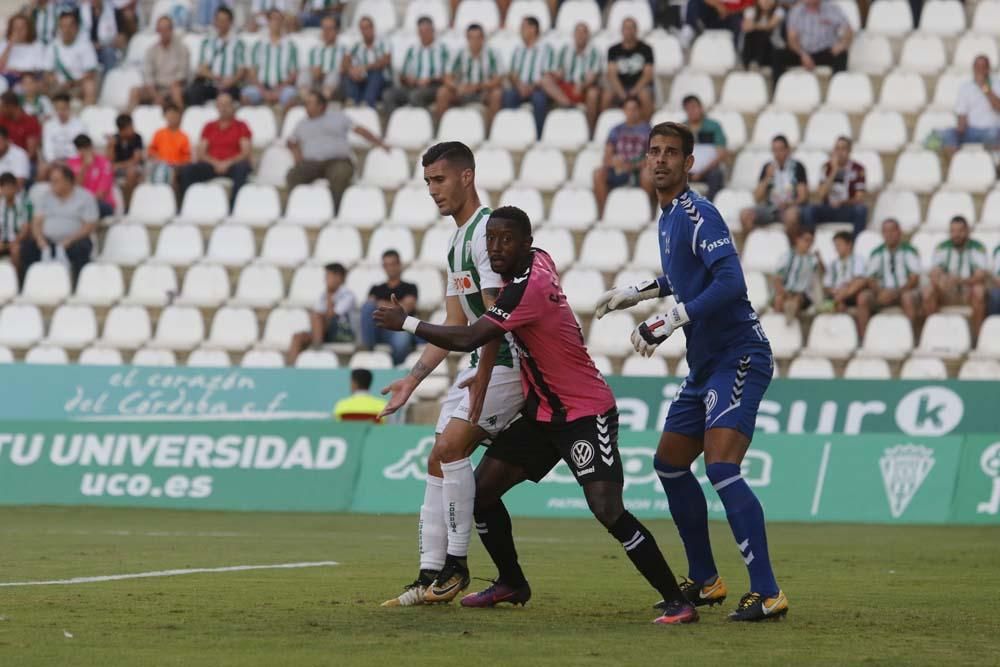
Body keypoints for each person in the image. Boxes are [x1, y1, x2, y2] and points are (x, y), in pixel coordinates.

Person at [373, 206, 696, 626]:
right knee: (480, 493)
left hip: (584, 411)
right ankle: (511, 582)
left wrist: (409, 323)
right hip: (542, 414)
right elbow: (484, 326)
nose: (496, 248)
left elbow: (472, 335)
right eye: (491, 240)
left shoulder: (527, 290)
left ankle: (677, 601)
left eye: (507, 240)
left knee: (608, 509)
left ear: (526, 242)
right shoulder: (537, 259)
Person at [594, 121, 787, 622]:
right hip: (704, 365)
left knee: (721, 468)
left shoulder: (698, 213)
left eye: (671, 153)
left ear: (688, 164)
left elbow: (729, 281)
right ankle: (706, 580)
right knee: (670, 464)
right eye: (654, 151)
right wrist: (638, 292)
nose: (660, 159)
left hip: (740, 355)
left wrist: (671, 317)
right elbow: (682, 275)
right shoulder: (666, 218)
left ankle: (767, 592)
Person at [378, 142, 524, 607]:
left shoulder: (487, 235)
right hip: (483, 364)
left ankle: (457, 567)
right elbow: (456, 325)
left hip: (512, 365)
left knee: (449, 446)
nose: (433, 190)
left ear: (466, 177)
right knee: (436, 460)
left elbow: (499, 322)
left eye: (439, 180)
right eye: (427, 182)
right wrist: (412, 380)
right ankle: (429, 573)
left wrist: (481, 381)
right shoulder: (456, 241)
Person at [286, 89, 387, 208]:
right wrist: (297, 155)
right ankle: (296, 208)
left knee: (339, 175)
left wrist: (379, 142)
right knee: (293, 175)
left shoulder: (338, 117)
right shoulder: (301, 123)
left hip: (337, 161)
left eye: (310, 103)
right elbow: (291, 141)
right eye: (306, 103)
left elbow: (359, 130)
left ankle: (335, 210)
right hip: (311, 163)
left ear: (321, 106)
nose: (306, 106)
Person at [19, 163, 97, 284]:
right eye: (51, 181)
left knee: (81, 248)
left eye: (56, 181)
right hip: (47, 241)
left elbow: (89, 225)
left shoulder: (85, 197)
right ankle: (27, 285)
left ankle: (79, 286)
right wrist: (40, 240)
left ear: (68, 181)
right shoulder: (45, 196)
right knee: (27, 248)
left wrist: (70, 239)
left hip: (74, 240)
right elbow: (36, 222)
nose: (52, 184)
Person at [177, 92, 252, 207]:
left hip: (232, 165)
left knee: (242, 168)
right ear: (217, 107)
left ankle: (235, 206)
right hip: (212, 164)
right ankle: (187, 204)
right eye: (221, 105)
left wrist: (227, 163)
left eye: (227, 105)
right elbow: (201, 152)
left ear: (233, 106)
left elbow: (245, 152)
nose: (224, 108)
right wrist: (216, 163)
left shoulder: (241, 126)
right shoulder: (209, 126)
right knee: (187, 170)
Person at [923, 215, 989, 335]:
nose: (956, 234)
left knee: (979, 290)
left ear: (967, 231)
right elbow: (934, 272)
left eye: (960, 231)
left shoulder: (977, 248)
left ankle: (977, 337)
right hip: (947, 291)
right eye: (953, 231)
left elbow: (980, 276)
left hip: (968, 292)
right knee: (928, 291)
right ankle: (934, 333)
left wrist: (959, 281)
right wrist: (941, 280)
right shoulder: (942, 247)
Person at [856, 218, 921, 337]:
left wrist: (896, 293)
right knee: (863, 298)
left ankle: (909, 337)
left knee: (908, 298)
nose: (889, 234)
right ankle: (864, 339)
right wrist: (880, 292)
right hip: (881, 292)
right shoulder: (876, 252)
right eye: (885, 231)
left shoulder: (909, 250)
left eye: (892, 231)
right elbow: (870, 278)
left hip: (903, 291)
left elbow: (914, 278)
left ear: (899, 232)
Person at [593, 95, 652, 215]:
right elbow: (607, 156)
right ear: (624, 111)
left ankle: (648, 211)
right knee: (598, 174)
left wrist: (634, 165)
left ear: (639, 110)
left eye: (634, 109)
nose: (631, 112)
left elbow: (652, 156)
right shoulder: (616, 130)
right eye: (628, 109)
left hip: (638, 169)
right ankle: (604, 213)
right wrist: (613, 162)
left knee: (647, 174)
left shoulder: (648, 130)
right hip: (619, 168)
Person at [436, 23, 503, 129]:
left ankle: (491, 131)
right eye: (471, 38)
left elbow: (498, 79)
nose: (475, 41)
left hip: (484, 91)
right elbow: (447, 77)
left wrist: (480, 86)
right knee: (443, 92)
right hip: (462, 91)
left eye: (478, 38)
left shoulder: (492, 53)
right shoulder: (459, 53)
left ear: (483, 38)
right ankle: (440, 129)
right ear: (467, 39)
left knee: (496, 94)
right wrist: (457, 87)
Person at [739, 134, 807, 238]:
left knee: (792, 217)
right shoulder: (768, 167)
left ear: (788, 150)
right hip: (770, 207)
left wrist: (790, 203)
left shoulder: (798, 167)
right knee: (745, 215)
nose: (778, 153)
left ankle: (791, 248)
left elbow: (802, 197)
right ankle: (754, 245)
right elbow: (757, 197)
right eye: (775, 150)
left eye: (781, 149)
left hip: (789, 207)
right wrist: (767, 178)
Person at [288, 262, 356, 365]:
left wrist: (329, 298)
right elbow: (318, 313)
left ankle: (317, 351)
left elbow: (332, 315)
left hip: (342, 333)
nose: (325, 280)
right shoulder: (323, 295)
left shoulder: (348, 296)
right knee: (297, 337)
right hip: (323, 331)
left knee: (317, 316)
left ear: (339, 277)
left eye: (328, 276)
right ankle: (291, 370)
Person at [359, 249, 418, 365]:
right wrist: (394, 305)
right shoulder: (376, 288)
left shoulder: (410, 287)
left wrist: (379, 303)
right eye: (386, 265)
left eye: (393, 264)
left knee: (403, 339)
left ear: (399, 265)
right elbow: (369, 308)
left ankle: (395, 368)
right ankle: (368, 351)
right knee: (367, 307)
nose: (390, 268)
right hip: (379, 329)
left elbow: (405, 309)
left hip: (400, 328)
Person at [543, 22, 602, 134]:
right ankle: (568, 105)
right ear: (574, 35)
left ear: (588, 35)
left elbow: (593, 76)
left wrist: (582, 85)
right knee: (545, 80)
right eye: (578, 32)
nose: (580, 35)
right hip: (566, 86)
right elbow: (558, 71)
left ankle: (590, 131)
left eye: (583, 32)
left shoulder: (595, 52)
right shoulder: (565, 50)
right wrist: (556, 75)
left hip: (584, 88)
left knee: (593, 93)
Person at [773, 0, 851, 85]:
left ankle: (837, 88)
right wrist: (802, 54)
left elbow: (848, 31)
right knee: (778, 54)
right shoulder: (796, 11)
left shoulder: (832, 8)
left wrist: (842, 44)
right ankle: (778, 88)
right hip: (801, 52)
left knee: (842, 54)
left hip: (825, 52)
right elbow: (791, 39)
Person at [382, 16, 449, 116]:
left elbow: (448, 75)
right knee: (388, 95)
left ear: (433, 31)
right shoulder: (412, 50)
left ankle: (426, 123)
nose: (424, 34)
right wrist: (409, 79)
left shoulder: (442, 50)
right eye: (421, 31)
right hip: (413, 86)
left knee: (415, 96)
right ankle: (397, 123)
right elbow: (402, 76)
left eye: (427, 31)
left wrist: (430, 80)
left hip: (433, 86)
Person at [501, 16, 555, 139]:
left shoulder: (546, 49)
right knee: (508, 96)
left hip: (538, 88)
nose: (521, 30)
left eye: (523, 27)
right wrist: (519, 85)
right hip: (520, 88)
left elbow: (548, 75)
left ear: (533, 29)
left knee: (539, 99)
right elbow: (512, 73)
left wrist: (531, 87)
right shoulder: (518, 50)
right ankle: (512, 133)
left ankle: (539, 135)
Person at [803, 136, 867, 237]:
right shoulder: (826, 167)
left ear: (849, 151)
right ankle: (810, 242)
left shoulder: (858, 169)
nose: (840, 152)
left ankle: (855, 245)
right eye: (837, 148)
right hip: (828, 208)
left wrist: (842, 202)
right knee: (808, 210)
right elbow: (821, 194)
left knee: (861, 210)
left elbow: (859, 198)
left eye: (843, 149)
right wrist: (834, 171)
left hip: (846, 209)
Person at [936, 55, 1000, 154]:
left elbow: (998, 107)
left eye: (983, 67)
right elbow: (962, 116)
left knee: (993, 135)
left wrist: (984, 87)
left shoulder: (997, 84)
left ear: (988, 69)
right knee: (948, 134)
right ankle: (956, 163)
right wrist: (959, 133)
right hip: (971, 131)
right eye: (977, 67)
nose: (980, 70)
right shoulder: (965, 88)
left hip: (993, 130)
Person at [185, 6, 245, 106]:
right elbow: (201, 68)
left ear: (230, 22)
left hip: (231, 85)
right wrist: (216, 78)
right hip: (210, 84)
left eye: (224, 20)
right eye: (218, 20)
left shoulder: (238, 44)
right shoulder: (207, 42)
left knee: (233, 94)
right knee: (193, 92)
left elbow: (241, 70)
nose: (221, 24)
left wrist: (230, 81)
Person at [128, 15, 188, 111]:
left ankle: (178, 120)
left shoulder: (182, 49)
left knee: (176, 91)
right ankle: (128, 122)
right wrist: (156, 96)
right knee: (134, 91)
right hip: (155, 89)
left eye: (166, 29)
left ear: (171, 30)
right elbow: (148, 77)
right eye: (161, 29)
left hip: (173, 88)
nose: (164, 32)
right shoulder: (151, 50)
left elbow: (182, 75)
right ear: (158, 31)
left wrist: (171, 89)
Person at [242, 9, 299, 108]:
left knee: (292, 97)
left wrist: (279, 89)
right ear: (268, 22)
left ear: (282, 22)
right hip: (262, 87)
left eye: (278, 19)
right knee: (245, 96)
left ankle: (283, 123)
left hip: (283, 87)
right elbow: (252, 73)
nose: (276, 22)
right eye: (273, 19)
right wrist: (263, 91)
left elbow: (293, 74)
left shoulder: (290, 46)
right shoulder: (259, 45)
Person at [44, 9, 99, 106]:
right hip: (58, 86)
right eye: (63, 26)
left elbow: (90, 74)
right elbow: (47, 73)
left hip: (78, 86)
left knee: (90, 85)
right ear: (59, 28)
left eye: (70, 26)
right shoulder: (52, 46)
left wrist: (72, 83)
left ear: (77, 28)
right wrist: (55, 81)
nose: (67, 30)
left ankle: (88, 115)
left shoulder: (86, 45)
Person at [603, 18, 654, 120]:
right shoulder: (613, 50)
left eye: (631, 28)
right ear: (621, 31)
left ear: (636, 30)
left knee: (645, 96)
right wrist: (622, 93)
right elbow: (611, 74)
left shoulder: (646, 49)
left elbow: (648, 75)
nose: (628, 31)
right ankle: (602, 125)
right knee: (606, 96)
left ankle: (645, 128)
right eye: (626, 28)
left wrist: (633, 92)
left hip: (639, 87)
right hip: (619, 87)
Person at [682, 95, 727, 201]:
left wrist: (702, 172)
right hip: (687, 170)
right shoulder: (682, 128)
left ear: (701, 108)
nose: (692, 111)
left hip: (708, 170)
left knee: (716, 175)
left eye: (694, 107)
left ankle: (710, 207)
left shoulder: (714, 126)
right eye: (688, 109)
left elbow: (721, 154)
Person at [343, 16, 390, 108]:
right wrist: (351, 70)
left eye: (367, 27)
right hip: (361, 78)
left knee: (375, 73)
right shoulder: (356, 45)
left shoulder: (383, 43)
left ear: (373, 28)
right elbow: (345, 60)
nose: (365, 31)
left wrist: (364, 68)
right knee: (349, 75)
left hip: (382, 80)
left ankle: (367, 104)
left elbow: (385, 60)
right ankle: (352, 102)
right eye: (363, 28)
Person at [772, 228, 818, 320]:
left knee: (796, 300)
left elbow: (818, 279)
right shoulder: (787, 256)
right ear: (798, 239)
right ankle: (778, 327)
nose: (809, 244)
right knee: (779, 300)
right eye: (806, 240)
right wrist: (785, 293)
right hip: (785, 292)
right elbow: (777, 279)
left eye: (811, 241)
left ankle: (790, 324)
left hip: (802, 295)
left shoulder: (813, 260)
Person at [66, 134, 114, 218]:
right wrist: (84, 167)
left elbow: (101, 193)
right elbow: (74, 188)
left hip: (102, 203)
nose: (84, 152)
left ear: (91, 147)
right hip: (79, 204)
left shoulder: (104, 162)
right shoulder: (71, 163)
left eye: (87, 148)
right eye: (80, 149)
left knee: (87, 209)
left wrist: (84, 203)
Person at [822, 230, 866, 314]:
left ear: (849, 245)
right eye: (835, 246)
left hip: (852, 293)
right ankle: (838, 301)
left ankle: (838, 299)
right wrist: (835, 291)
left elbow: (859, 279)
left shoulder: (858, 259)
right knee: (839, 305)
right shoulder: (832, 264)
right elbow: (827, 285)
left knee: (860, 282)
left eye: (839, 245)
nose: (836, 248)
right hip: (836, 292)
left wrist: (846, 288)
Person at [41, 92, 85, 175]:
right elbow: (47, 147)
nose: (60, 112)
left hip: (74, 161)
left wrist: (69, 162)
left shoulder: (80, 125)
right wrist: (54, 161)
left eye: (63, 109)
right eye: (57, 109)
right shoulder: (48, 125)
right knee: (42, 170)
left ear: (69, 107)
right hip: (54, 162)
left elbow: (81, 147)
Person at [303, 15, 346, 101]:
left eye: (330, 29)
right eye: (324, 28)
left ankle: (321, 103)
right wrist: (316, 72)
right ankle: (307, 101)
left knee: (333, 75)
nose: (326, 32)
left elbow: (343, 70)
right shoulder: (314, 51)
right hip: (316, 82)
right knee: (304, 72)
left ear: (337, 31)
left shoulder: (344, 51)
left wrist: (324, 73)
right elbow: (311, 68)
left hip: (335, 87)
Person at [147, 103, 189, 185]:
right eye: (169, 115)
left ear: (179, 117)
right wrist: (157, 159)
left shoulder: (184, 137)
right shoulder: (159, 133)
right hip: (159, 164)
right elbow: (151, 151)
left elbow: (186, 158)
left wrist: (177, 164)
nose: (171, 117)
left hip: (175, 167)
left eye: (174, 115)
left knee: (171, 173)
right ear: (165, 116)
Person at [0, 171, 32, 274]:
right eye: (3, 187)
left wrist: (14, 242)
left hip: (19, 242)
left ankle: (17, 280)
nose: (7, 191)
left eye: (9, 187)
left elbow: (25, 228)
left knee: (15, 250)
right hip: (3, 241)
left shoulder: (24, 203)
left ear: (15, 188)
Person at [108, 112, 144, 204]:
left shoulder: (137, 138)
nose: (132, 129)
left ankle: (129, 202)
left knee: (131, 171)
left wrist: (119, 165)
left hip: (134, 167)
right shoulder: (115, 139)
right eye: (130, 127)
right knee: (106, 171)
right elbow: (109, 161)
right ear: (122, 130)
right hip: (119, 168)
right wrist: (111, 146)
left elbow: (136, 160)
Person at [0, 91, 41, 167]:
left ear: (11, 106)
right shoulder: (2, 119)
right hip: (3, 160)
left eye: (2, 107)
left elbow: (30, 153)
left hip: (24, 162)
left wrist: (16, 164)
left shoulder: (31, 122)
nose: (0, 109)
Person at [0, 15, 45, 83]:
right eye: (15, 28)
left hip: (29, 80)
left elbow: (38, 69)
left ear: (28, 29)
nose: (18, 31)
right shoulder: (4, 44)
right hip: (6, 79)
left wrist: (17, 71)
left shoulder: (37, 45)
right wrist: (10, 45)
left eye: (22, 27)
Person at [741, 0, 785, 69]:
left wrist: (754, 26)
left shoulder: (779, 11)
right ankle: (748, 63)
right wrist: (759, 27)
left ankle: (757, 62)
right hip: (754, 46)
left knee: (762, 34)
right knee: (750, 35)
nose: (766, 1)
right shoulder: (751, 10)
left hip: (772, 47)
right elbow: (746, 27)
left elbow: (769, 26)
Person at [684, 0, 749, 41]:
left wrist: (729, 11)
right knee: (694, 2)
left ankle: (735, 49)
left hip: (731, 16)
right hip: (712, 12)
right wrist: (718, 5)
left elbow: (747, 5)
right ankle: (691, 30)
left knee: (737, 20)